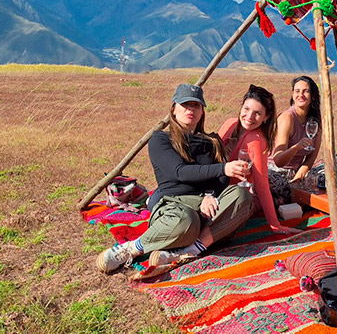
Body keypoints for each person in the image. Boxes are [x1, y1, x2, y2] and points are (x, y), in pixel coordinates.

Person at [96, 84, 253, 273]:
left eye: (196, 105)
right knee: (186, 221)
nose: (190, 109)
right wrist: (221, 170)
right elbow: (179, 172)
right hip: (174, 205)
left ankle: (190, 250)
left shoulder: (211, 142)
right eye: (185, 104)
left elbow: (219, 180)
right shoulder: (161, 140)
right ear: (173, 109)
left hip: (206, 206)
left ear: (202, 111)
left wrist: (210, 195)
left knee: (241, 195)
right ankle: (132, 248)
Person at [218, 85, 302, 234]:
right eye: (246, 109)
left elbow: (261, 185)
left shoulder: (255, 140)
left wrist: (275, 225)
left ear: (266, 117)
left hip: (236, 195)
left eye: (257, 113)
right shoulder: (230, 124)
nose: (249, 117)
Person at [269, 76, 322, 204]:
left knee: (327, 175)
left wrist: (297, 180)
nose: (301, 95)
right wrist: (296, 147)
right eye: (297, 91)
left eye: (305, 91)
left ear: (313, 96)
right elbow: (278, 160)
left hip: (296, 173)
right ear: (293, 94)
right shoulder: (287, 118)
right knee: (285, 190)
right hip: (275, 171)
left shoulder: (316, 123)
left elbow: (310, 160)